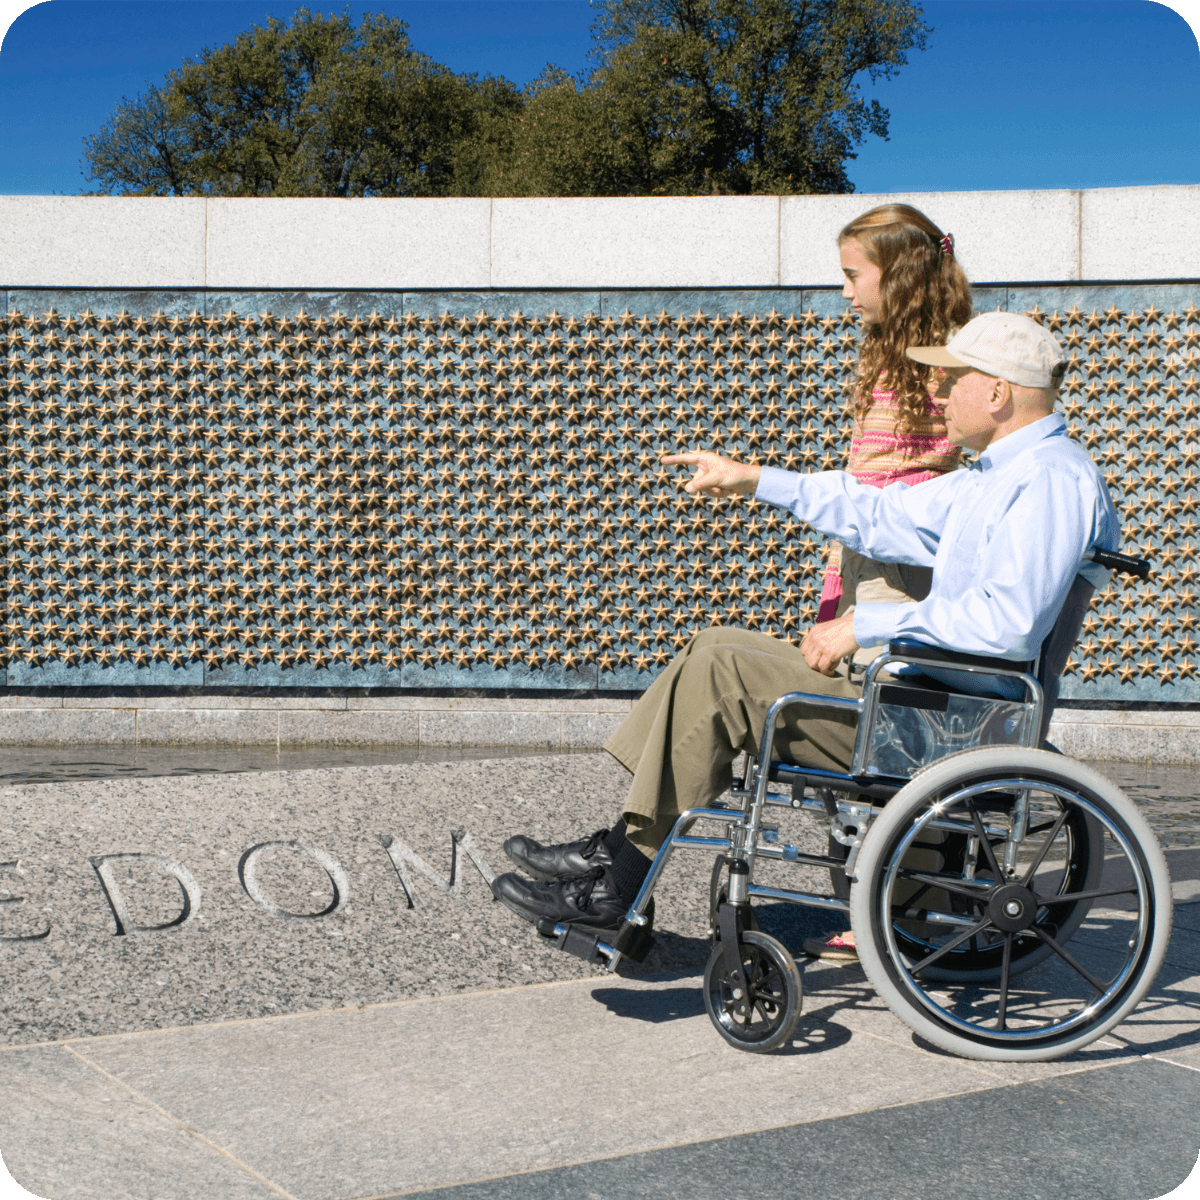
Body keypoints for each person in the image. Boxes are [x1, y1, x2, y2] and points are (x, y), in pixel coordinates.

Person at [490, 312, 1119, 950]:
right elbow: (879, 513)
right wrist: (755, 480)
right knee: (716, 645)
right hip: (923, 704)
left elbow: (1009, 624)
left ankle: (616, 885)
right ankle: (621, 848)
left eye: (953, 378)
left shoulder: (1050, 479)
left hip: (946, 724)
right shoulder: (1000, 475)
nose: (938, 393)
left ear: (997, 391)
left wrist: (867, 622)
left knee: (721, 675)